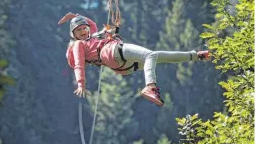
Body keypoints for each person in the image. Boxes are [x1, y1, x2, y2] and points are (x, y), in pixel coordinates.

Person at [58, 12, 211, 106]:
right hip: (111, 52)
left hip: (122, 66)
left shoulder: (91, 37)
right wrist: (81, 84)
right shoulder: (79, 44)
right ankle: (150, 87)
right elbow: (79, 65)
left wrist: (75, 16)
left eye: (84, 28)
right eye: (79, 30)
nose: (84, 30)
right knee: (151, 55)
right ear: (74, 35)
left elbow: (91, 24)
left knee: (155, 56)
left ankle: (196, 56)